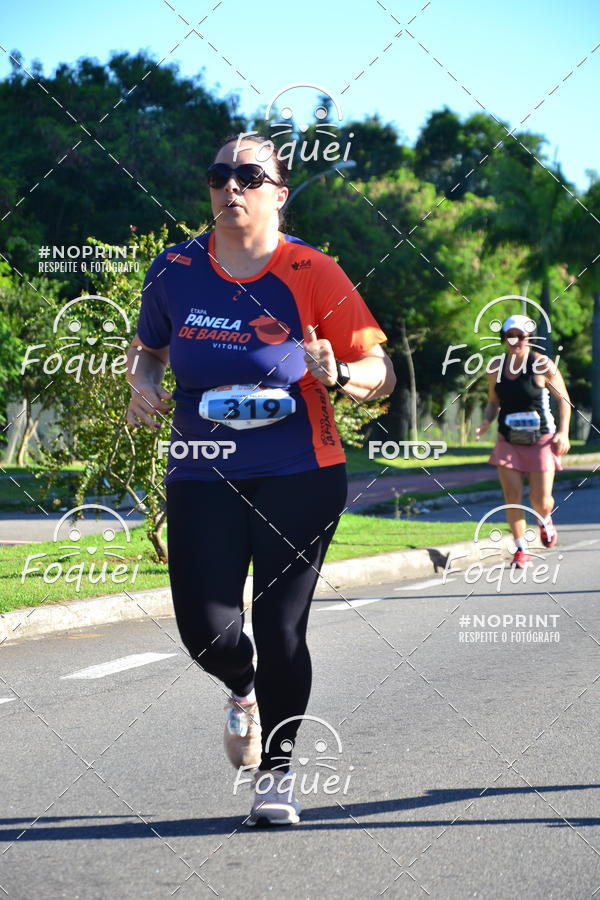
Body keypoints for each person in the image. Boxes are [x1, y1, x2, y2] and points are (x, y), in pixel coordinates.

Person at [125, 133, 396, 825]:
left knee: (280, 629)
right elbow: (150, 350)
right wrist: (142, 386)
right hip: (201, 471)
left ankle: (276, 774)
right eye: (219, 176)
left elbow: (380, 372)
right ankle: (240, 690)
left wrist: (341, 376)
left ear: (279, 193)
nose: (230, 187)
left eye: (248, 175)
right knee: (208, 633)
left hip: (300, 472)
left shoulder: (312, 270)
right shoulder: (176, 268)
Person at [476, 313, 571, 567]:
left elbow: (564, 401)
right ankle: (520, 549)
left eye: (522, 336)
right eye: (511, 336)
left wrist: (563, 432)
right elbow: (493, 402)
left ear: (530, 339)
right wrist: (486, 422)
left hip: (541, 439)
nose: (516, 341)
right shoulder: (495, 368)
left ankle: (544, 518)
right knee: (512, 496)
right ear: (503, 339)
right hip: (508, 439)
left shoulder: (542, 365)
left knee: (540, 500)